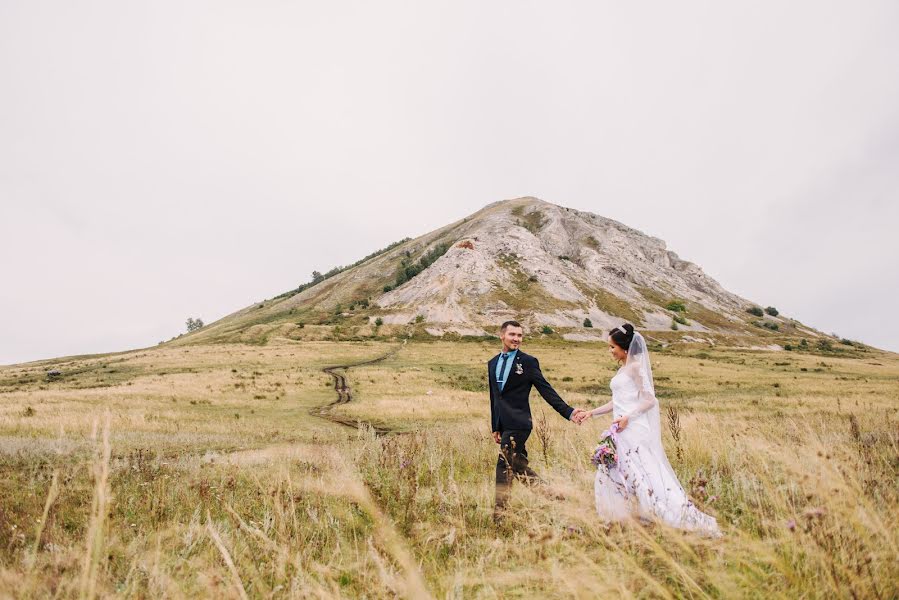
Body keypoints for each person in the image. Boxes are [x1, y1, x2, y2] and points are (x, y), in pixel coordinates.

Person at [576, 324, 720, 535]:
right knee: (615, 470)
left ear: (624, 348)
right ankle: (624, 516)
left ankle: (660, 514)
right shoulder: (622, 368)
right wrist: (591, 413)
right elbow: (617, 402)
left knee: (641, 472)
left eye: (612, 347)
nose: (610, 351)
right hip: (620, 429)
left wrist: (628, 417)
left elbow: (649, 400)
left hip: (633, 429)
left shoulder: (635, 367)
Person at [488, 320, 585, 520]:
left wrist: (569, 412)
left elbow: (546, 390)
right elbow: (495, 398)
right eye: (512, 335)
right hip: (505, 425)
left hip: (520, 423)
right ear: (502, 336)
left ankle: (500, 515)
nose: (516, 339)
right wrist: (496, 426)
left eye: (520, 335)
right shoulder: (492, 363)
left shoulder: (529, 362)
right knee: (518, 466)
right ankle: (555, 497)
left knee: (503, 465)